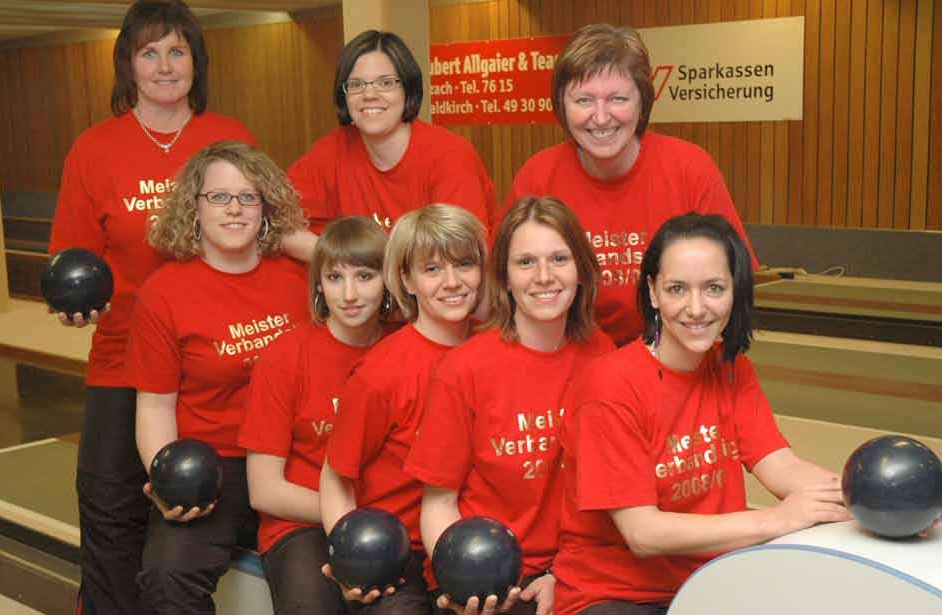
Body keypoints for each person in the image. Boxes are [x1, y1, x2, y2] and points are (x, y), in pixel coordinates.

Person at [46, 1, 255, 611]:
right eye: (149, 52)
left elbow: (265, 238)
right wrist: (72, 306)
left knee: (199, 521)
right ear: (128, 65)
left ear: (196, 61)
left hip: (215, 365)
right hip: (124, 362)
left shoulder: (231, 139)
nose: (165, 66)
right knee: (111, 521)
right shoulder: (95, 150)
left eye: (177, 51)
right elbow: (72, 255)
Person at [552, 213, 850, 614]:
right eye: (677, 289)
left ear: (734, 292)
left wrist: (884, 498)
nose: (696, 308)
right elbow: (643, 533)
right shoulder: (609, 386)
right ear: (653, 292)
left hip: (712, 578)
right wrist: (775, 521)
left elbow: (781, 466)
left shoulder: (731, 369)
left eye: (713, 288)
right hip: (615, 594)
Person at [406, 197, 615, 615]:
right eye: (525, 263)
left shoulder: (604, 355)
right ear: (502, 276)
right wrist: (465, 578)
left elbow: (609, 498)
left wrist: (566, 576)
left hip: (574, 569)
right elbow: (439, 504)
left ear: (581, 270)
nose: (543, 277)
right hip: (485, 571)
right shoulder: (463, 369)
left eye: (559, 258)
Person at [125, 141, 308, 615]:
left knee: (317, 589)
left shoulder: (298, 278)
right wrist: (165, 480)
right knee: (167, 577)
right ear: (195, 207)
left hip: (293, 458)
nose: (235, 210)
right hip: (215, 464)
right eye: (219, 197)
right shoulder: (163, 294)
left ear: (266, 207)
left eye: (249, 197)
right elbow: (155, 406)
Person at [504, 23, 756, 347]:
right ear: (561, 107)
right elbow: (505, 284)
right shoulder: (538, 176)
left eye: (617, 98)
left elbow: (736, 277)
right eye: (583, 100)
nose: (601, 116)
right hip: (570, 354)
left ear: (642, 103)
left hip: (671, 353)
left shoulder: (690, 168)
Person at [319, 204, 488, 614]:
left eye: (464, 265)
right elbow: (335, 476)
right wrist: (353, 563)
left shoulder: (495, 349)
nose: (451, 282)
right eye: (432, 270)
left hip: (474, 545)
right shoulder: (381, 373)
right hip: (400, 553)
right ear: (407, 280)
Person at [238, 216, 391, 615]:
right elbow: (265, 490)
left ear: (388, 280)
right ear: (319, 285)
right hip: (301, 524)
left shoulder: (402, 351)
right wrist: (349, 516)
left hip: (391, 524)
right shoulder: (285, 357)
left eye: (365, 276)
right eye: (335, 277)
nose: (350, 294)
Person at [283, 30, 496, 261]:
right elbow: (280, 227)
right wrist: (348, 261)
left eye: (386, 83)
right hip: (364, 293)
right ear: (343, 94)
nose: (369, 94)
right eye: (356, 84)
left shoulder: (450, 155)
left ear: (408, 88)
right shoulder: (330, 152)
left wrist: (365, 264)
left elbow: (459, 256)